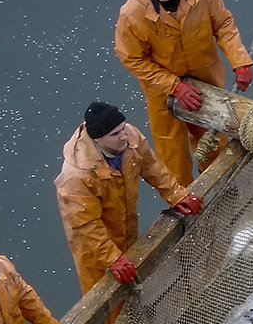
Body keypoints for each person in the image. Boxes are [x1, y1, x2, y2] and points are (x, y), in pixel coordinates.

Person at [114, 0, 253, 187]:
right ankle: (183, 199)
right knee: (172, 154)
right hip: (163, 94)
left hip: (205, 83)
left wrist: (240, 61)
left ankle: (222, 187)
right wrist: (174, 86)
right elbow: (132, 58)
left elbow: (222, 24)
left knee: (212, 140)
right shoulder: (132, 13)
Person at [55, 101, 204, 296]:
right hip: (95, 250)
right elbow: (85, 225)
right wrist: (112, 258)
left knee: (135, 287)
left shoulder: (129, 138)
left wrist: (176, 194)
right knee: (107, 299)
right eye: (115, 134)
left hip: (127, 227)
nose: (124, 136)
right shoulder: (76, 177)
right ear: (98, 138)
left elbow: (151, 166)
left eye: (123, 128)